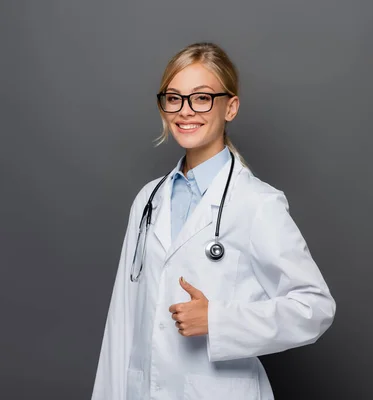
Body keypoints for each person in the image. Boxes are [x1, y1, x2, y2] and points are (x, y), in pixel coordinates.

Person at [91, 42, 336, 400]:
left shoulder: (256, 202)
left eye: (202, 98)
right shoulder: (148, 201)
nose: (185, 111)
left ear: (230, 107)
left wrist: (218, 321)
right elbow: (122, 320)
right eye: (174, 98)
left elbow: (314, 308)